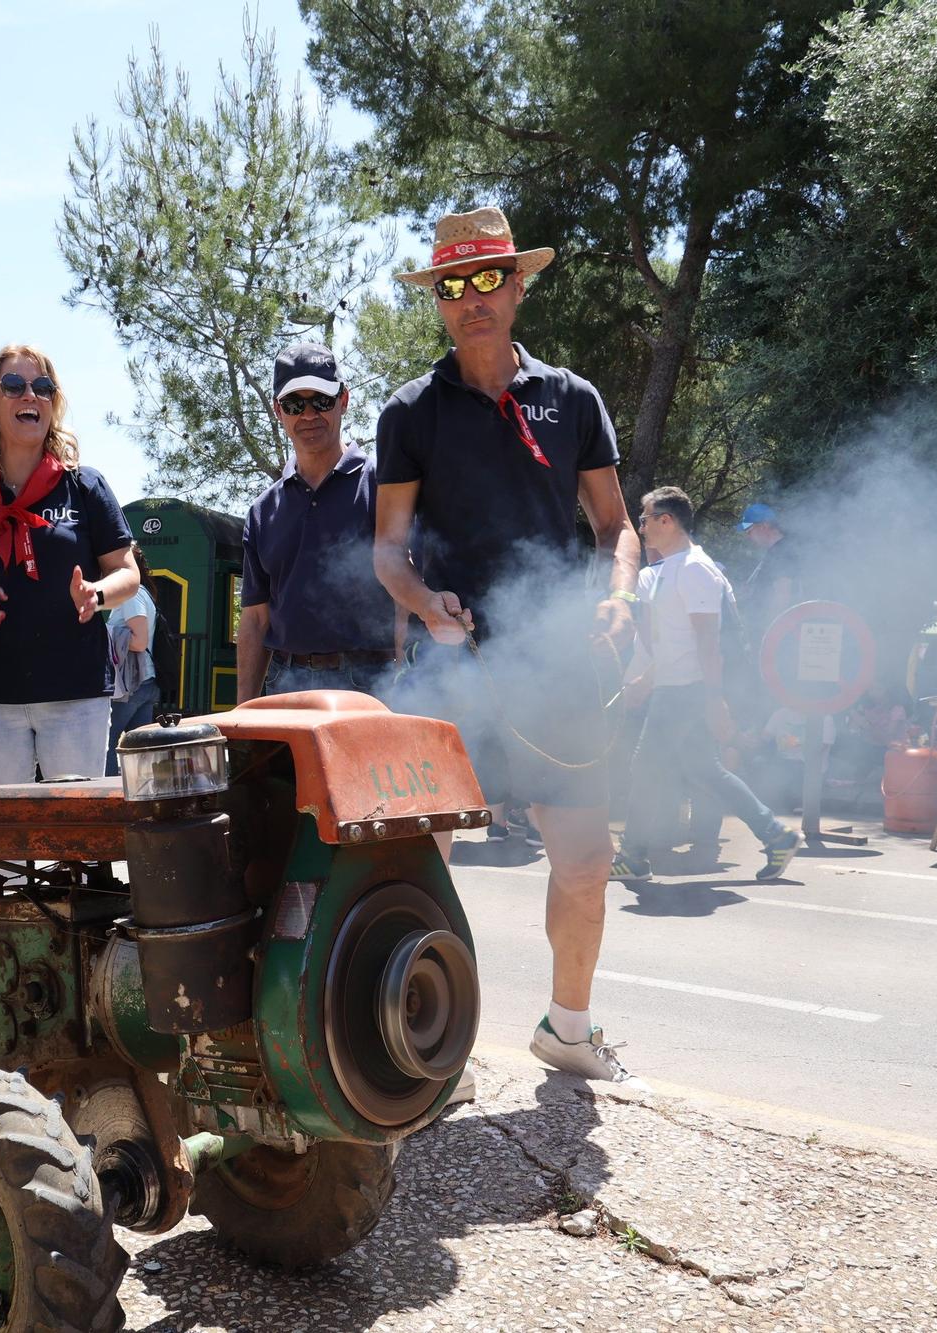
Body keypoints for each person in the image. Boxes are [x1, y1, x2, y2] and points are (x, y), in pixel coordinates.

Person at [372, 206, 647, 1090]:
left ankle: (569, 1028)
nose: (470, 299)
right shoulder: (410, 411)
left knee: (587, 856)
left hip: (559, 663)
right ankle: (423, 1045)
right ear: (439, 303)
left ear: (520, 285)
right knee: (429, 862)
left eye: (487, 278)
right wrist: (424, 602)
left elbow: (616, 527)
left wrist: (618, 598)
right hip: (456, 665)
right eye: (451, 286)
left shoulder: (572, 399)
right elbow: (388, 549)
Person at [0, 345, 140, 785]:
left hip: (75, 690)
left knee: (73, 837)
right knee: (8, 843)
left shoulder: (86, 486)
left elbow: (128, 573)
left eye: (42, 388)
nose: (30, 397)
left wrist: (97, 595)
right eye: (14, 386)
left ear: (53, 403)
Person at [613, 488, 803, 884]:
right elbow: (671, 643)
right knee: (705, 769)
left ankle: (632, 856)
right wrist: (647, 679)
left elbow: (708, 644)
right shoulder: (670, 569)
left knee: (646, 767)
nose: (641, 526)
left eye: (645, 519)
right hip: (676, 686)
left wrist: (715, 701)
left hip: (688, 689)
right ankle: (776, 834)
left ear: (667, 520)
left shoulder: (695, 569)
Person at [238, 342, 400, 701]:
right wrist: (242, 713)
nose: (308, 414)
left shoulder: (384, 486)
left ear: (344, 400)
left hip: (372, 684)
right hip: (284, 685)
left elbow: (408, 595)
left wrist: (407, 682)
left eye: (321, 401)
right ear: (279, 411)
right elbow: (254, 620)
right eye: (295, 404)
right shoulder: (262, 511)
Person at [105, 543, 161, 774]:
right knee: (141, 751)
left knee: (105, 745)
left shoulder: (132, 594)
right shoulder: (143, 593)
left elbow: (138, 641)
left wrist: (106, 633)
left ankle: (104, 799)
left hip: (130, 685)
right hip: (144, 682)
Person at [736, 501, 798, 636]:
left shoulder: (782, 551)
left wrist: (772, 633)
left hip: (775, 635)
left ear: (764, 526)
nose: (747, 535)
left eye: (749, 530)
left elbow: (782, 593)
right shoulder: (775, 551)